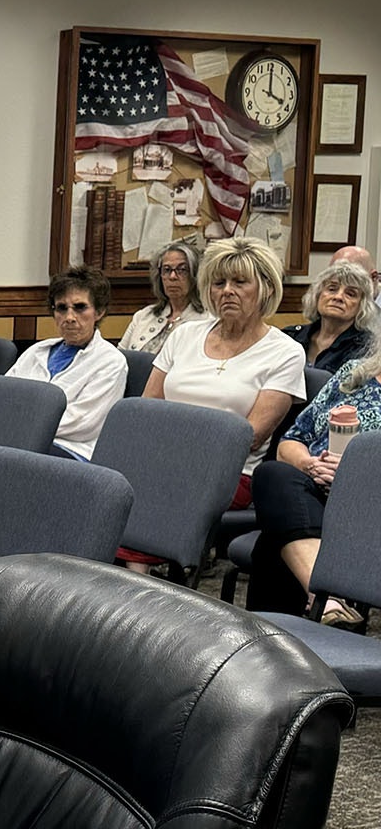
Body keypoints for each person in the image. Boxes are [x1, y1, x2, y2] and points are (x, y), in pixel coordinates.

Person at [122, 237, 306, 571]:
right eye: (218, 283)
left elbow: (250, 436)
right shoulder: (185, 335)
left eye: (240, 282)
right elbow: (146, 409)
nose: (227, 291)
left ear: (264, 288)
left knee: (153, 484)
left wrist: (176, 447)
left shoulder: (285, 352)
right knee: (107, 478)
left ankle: (133, 581)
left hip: (231, 472)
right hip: (162, 458)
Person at [245, 341, 381, 621]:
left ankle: (271, 649)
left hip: (369, 508)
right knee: (273, 473)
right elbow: (290, 442)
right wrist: (310, 464)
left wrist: (356, 472)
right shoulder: (354, 374)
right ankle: (328, 599)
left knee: (277, 539)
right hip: (312, 493)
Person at [5, 266, 127, 459]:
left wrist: (22, 425)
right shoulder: (37, 351)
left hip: (71, 452)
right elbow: (5, 397)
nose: (69, 317)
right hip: (20, 439)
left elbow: (83, 423)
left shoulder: (111, 361)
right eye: (61, 308)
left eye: (80, 307)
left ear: (99, 312)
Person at [283, 261, 375, 373]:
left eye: (350, 294)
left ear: (362, 305)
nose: (338, 297)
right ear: (317, 295)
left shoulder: (368, 348)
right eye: (332, 289)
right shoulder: (290, 336)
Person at [117, 241, 208, 354]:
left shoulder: (207, 320)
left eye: (182, 270)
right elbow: (120, 357)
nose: (172, 276)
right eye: (167, 270)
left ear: (196, 275)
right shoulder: (143, 316)